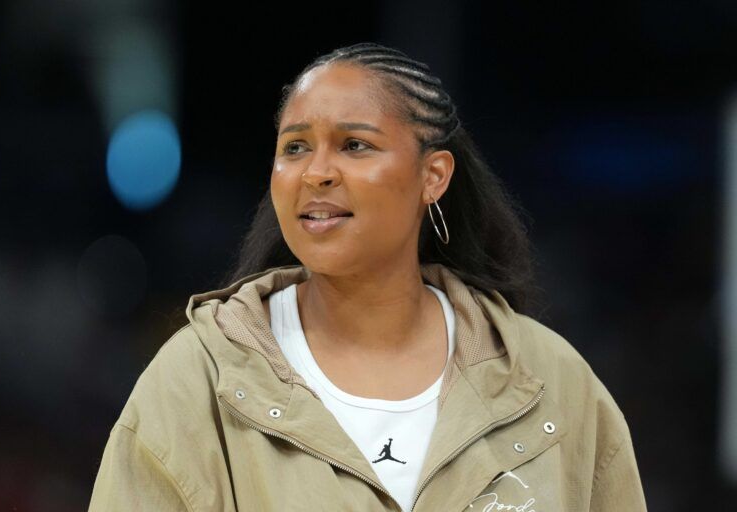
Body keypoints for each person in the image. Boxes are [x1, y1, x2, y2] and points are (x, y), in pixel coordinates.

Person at [88, 42, 647, 511]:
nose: (317, 172)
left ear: (434, 175)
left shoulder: (551, 380)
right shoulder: (196, 381)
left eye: (355, 145)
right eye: (295, 148)